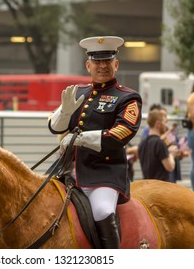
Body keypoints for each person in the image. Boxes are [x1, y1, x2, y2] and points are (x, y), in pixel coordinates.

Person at [48, 36, 142, 249]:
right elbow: (54, 127)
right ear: (88, 65)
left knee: (102, 210)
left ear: (116, 65)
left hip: (103, 174)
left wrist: (79, 139)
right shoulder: (77, 92)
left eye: (107, 61)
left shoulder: (127, 97)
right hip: (64, 170)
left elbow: (122, 132)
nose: (102, 66)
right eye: (97, 62)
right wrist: (64, 112)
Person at [138, 109, 180, 181]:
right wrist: (172, 154)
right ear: (158, 123)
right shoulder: (159, 143)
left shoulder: (142, 143)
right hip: (160, 187)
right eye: (164, 123)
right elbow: (170, 167)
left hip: (148, 185)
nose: (165, 126)